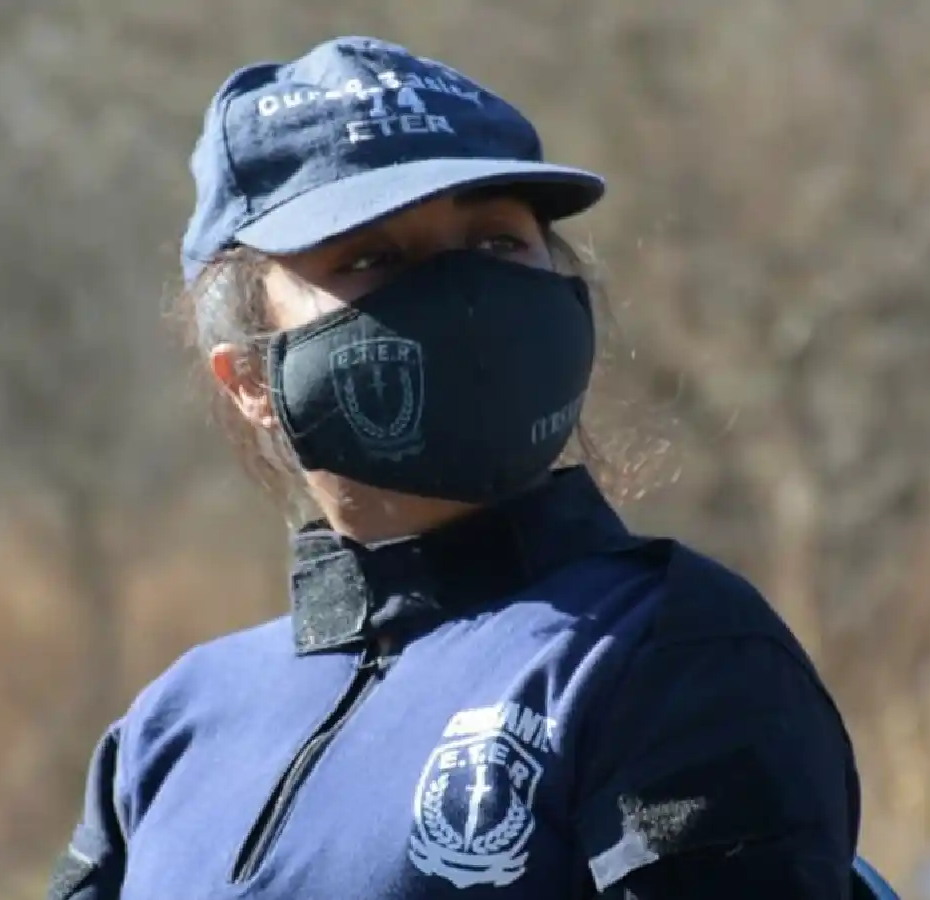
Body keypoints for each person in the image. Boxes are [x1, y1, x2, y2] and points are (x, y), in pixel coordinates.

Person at [47, 35, 862, 900]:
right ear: (249, 376)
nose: (463, 296)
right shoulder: (170, 731)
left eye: (493, 242)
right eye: (371, 258)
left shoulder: (663, 651)